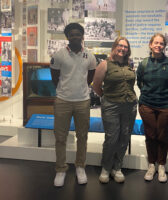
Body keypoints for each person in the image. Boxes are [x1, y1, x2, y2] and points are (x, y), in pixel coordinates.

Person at [50, 23, 97, 187]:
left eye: (78, 34)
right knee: (60, 137)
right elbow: (55, 77)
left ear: (82, 36)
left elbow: (90, 76)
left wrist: (79, 89)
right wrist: (66, 90)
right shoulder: (59, 55)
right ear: (67, 37)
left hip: (83, 102)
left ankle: (80, 167)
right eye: (72, 34)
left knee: (82, 136)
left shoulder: (89, 56)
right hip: (63, 101)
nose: (75, 37)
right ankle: (61, 169)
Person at [93, 36, 137, 184]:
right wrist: (106, 97)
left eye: (125, 46)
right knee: (112, 138)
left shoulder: (130, 64)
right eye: (120, 45)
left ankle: (117, 167)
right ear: (114, 46)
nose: (122, 48)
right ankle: (106, 167)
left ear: (128, 49)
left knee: (125, 137)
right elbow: (96, 86)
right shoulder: (105, 64)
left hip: (130, 106)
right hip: (111, 106)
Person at [136, 33, 168, 183]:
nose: (158, 46)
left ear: (164, 46)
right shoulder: (144, 64)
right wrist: (149, 94)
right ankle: (151, 165)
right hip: (147, 105)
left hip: (166, 106)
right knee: (151, 135)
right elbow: (139, 82)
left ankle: (161, 165)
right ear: (150, 45)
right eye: (156, 43)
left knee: (162, 136)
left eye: (161, 44)